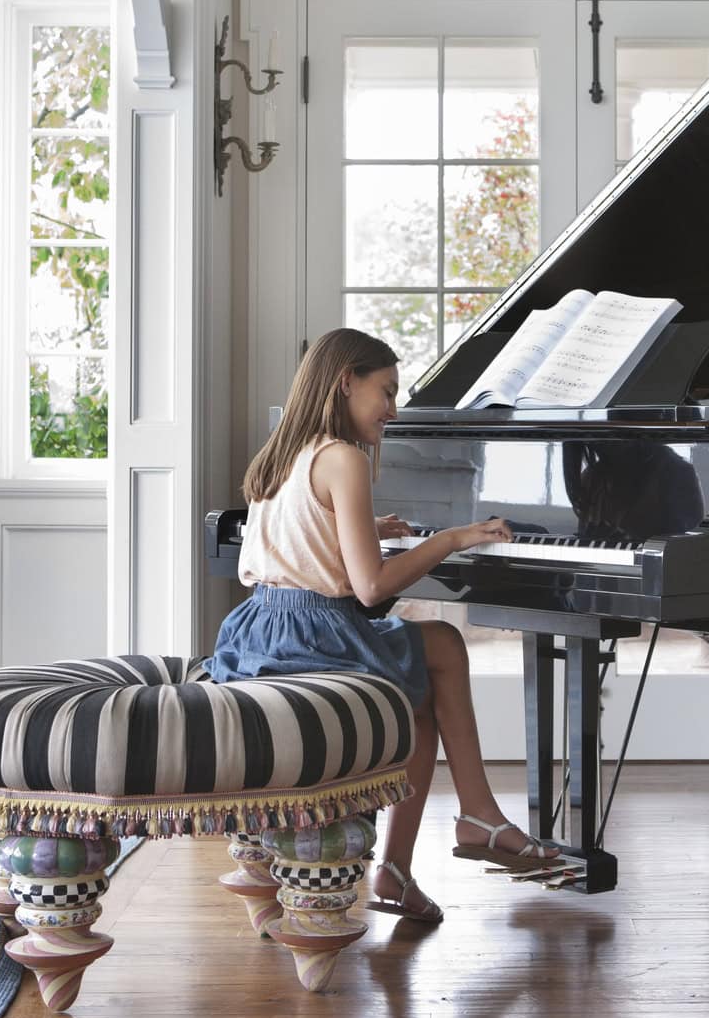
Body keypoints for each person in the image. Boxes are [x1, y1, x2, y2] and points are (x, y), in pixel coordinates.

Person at [207, 327, 563, 924]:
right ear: (346, 380)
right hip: (315, 636)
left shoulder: (282, 451)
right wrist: (453, 538)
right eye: (387, 391)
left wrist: (373, 532)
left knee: (423, 685)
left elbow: (310, 543)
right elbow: (370, 588)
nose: (393, 410)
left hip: (260, 630)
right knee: (444, 645)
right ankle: (471, 819)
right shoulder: (345, 458)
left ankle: (402, 868)